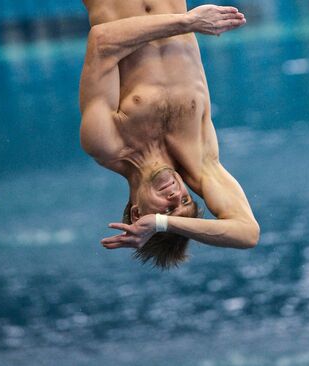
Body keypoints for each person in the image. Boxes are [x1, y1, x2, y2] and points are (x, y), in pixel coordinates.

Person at [79, 1, 260, 268]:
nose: (175, 197)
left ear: (137, 212)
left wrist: (188, 22)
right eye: (185, 200)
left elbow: (102, 42)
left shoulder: (106, 143)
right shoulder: (200, 159)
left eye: (165, 209)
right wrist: (164, 222)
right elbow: (248, 233)